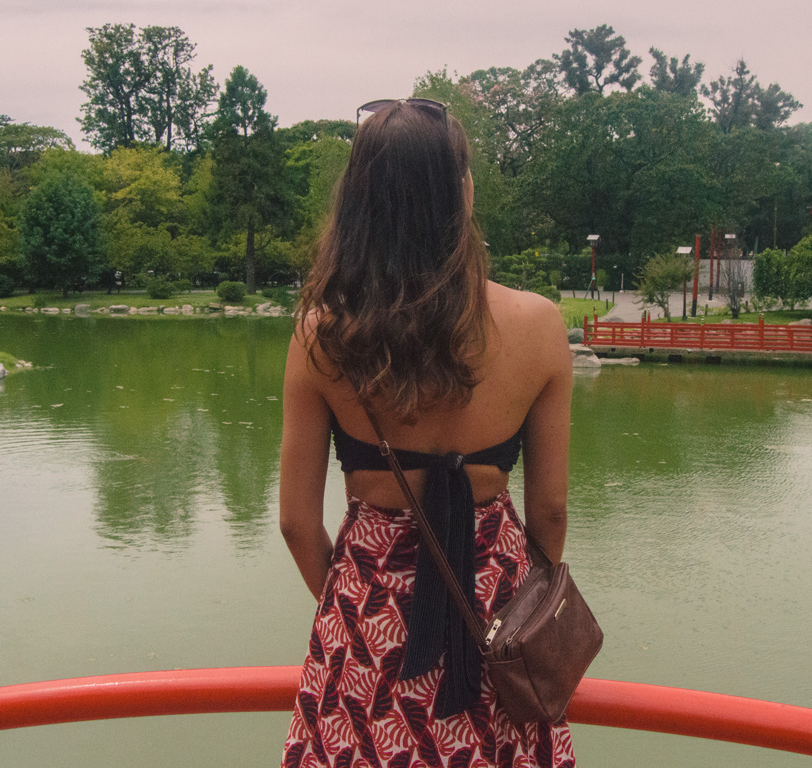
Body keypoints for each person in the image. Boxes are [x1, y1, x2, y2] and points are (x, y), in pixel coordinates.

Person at [278, 98, 574, 768]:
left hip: (369, 614)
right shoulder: (539, 325)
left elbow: (297, 522)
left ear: (360, 202)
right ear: (462, 193)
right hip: (496, 621)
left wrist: (356, 609)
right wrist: (528, 610)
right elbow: (550, 510)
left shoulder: (321, 337)